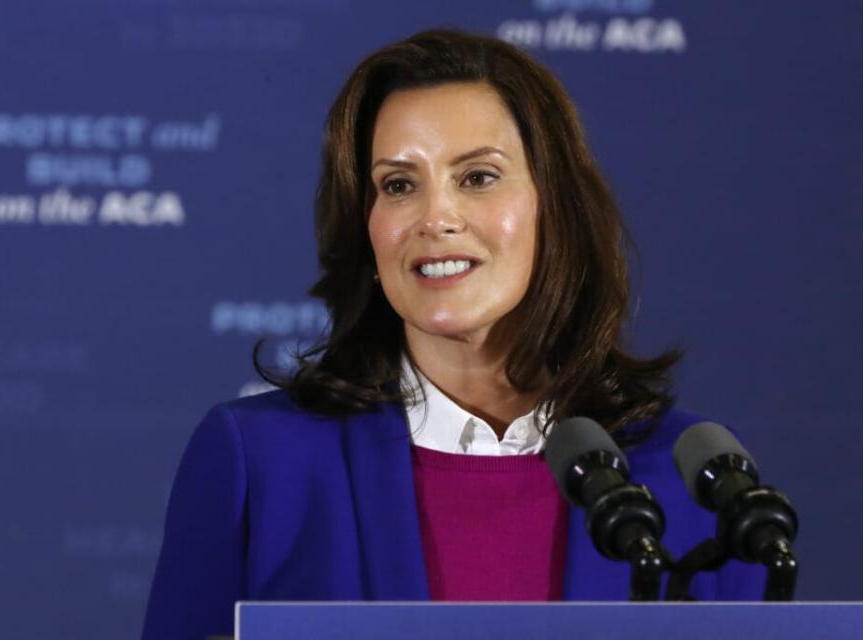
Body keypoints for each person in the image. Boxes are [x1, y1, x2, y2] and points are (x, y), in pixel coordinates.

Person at [142, 28, 760, 639]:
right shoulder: (262, 461)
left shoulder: (692, 479)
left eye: (478, 177)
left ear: (555, 204)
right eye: (399, 185)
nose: (435, 217)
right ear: (367, 228)